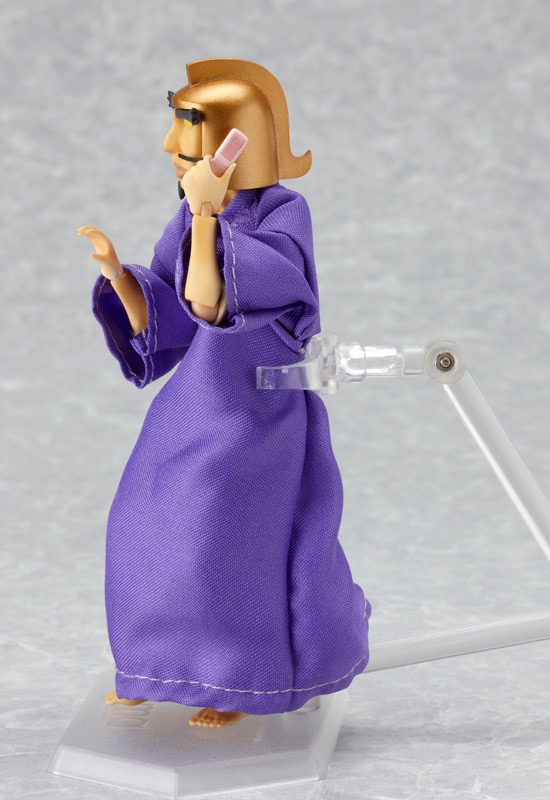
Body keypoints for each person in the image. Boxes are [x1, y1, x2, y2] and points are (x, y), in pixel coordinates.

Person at [78, 59, 371, 729]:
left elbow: (213, 303)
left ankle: (236, 683)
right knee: (142, 528)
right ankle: (152, 668)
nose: (170, 150)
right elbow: (173, 314)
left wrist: (207, 215)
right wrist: (118, 275)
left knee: (225, 544)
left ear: (236, 145)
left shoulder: (282, 214)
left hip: (254, 416)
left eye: (186, 139)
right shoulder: (191, 214)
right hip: (191, 408)